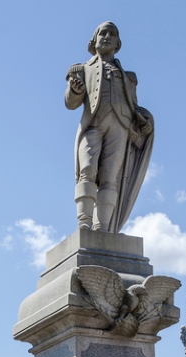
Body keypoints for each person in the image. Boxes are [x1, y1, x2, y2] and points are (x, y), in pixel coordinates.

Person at [65, 21, 154, 232]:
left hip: (120, 127)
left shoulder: (129, 78)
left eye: (112, 34)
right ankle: (84, 222)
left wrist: (144, 120)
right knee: (87, 169)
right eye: (102, 33)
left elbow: (133, 107)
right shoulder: (82, 69)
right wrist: (76, 91)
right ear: (94, 41)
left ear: (117, 44)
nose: (107, 37)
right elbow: (70, 103)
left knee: (110, 177)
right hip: (93, 125)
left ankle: (102, 227)